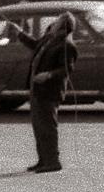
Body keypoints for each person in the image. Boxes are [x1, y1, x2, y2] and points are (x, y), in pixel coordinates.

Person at [10, 12, 78, 173]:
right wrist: (20, 33)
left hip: (50, 90)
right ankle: (43, 160)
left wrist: (48, 75)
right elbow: (35, 45)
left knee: (47, 126)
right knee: (38, 126)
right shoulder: (49, 39)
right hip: (37, 88)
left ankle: (53, 161)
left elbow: (66, 69)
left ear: (62, 27)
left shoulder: (67, 46)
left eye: (57, 22)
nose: (53, 24)